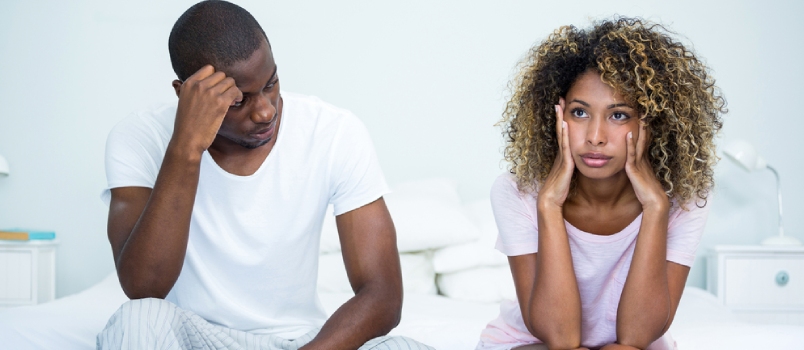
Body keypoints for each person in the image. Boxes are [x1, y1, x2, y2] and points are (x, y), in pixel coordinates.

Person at [97, 1, 433, 349]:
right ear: (186, 94)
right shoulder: (139, 137)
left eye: (271, 83)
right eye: (238, 101)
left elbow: (383, 296)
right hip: (195, 337)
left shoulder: (333, 131)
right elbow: (144, 287)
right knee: (137, 320)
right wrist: (186, 148)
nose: (265, 111)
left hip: (301, 341)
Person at [476, 18, 726, 350]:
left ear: (652, 122)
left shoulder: (685, 199)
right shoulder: (516, 191)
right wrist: (549, 206)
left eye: (618, 115)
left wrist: (655, 208)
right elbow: (561, 339)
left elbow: (636, 337)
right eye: (580, 113)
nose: (595, 137)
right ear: (557, 116)